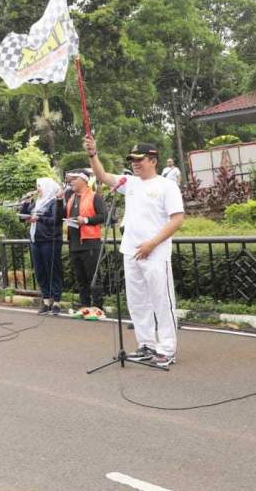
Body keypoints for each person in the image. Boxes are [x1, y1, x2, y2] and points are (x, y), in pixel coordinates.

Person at [85, 139, 184, 370]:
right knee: (138, 301)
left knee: (162, 300)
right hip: (131, 251)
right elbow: (102, 176)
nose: (135, 164)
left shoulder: (166, 186)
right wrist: (93, 154)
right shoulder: (129, 182)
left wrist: (152, 243)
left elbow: (177, 219)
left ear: (153, 160)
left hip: (155, 252)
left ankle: (167, 349)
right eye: (132, 160)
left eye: (140, 160)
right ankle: (146, 344)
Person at [63, 171, 107, 320]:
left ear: (83, 180)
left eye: (74, 179)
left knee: (93, 277)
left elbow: (104, 215)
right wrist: (58, 201)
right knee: (80, 278)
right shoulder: (71, 197)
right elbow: (62, 215)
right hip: (74, 243)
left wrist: (86, 220)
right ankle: (85, 307)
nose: (71, 181)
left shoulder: (95, 196)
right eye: (70, 179)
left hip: (90, 242)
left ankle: (98, 308)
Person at [20, 178, 65, 314]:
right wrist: (26, 203)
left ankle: (56, 301)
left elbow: (56, 220)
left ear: (47, 187)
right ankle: (45, 300)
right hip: (35, 241)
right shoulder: (36, 203)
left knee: (53, 270)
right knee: (40, 271)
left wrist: (39, 218)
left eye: (39, 186)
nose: (37, 189)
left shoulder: (54, 202)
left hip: (49, 240)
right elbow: (22, 217)